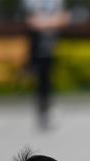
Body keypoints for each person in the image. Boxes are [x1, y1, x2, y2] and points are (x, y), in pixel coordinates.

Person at [22, 0, 69, 130]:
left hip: (53, 47)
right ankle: (42, 114)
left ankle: (47, 113)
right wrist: (51, 22)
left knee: (49, 82)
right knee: (40, 82)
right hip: (36, 48)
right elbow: (32, 22)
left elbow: (63, 19)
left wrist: (45, 23)